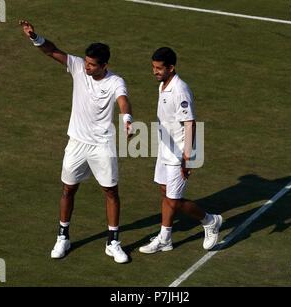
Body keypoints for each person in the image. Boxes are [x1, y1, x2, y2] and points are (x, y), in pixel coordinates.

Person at [19, 20, 132, 263]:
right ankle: (63, 236)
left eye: (92, 64)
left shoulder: (115, 82)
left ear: (104, 65)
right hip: (77, 143)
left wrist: (127, 119)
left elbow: (123, 100)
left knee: (110, 191)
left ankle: (113, 241)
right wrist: (34, 37)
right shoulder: (79, 67)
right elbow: (52, 51)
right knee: (68, 189)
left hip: (102, 145)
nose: (87, 67)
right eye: (87, 62)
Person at [139, 47, 222, 254]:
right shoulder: (163, 85)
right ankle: (165, 238)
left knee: (174, 200)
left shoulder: (180, 90)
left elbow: (190, 123)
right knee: (165, 193)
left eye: (159, 68)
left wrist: (187, 157)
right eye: (153, 67)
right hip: (165, 149)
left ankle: (210, 221)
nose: (154, 72)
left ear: (171, 68)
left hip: (179, 154)